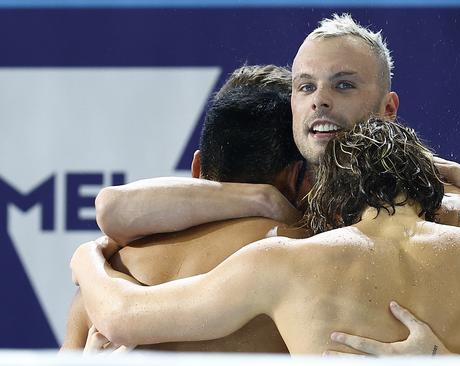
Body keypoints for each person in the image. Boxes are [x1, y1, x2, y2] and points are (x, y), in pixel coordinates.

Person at [82, 14, 460, 356]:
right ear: (293, 106)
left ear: (388, 109)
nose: (319, 101)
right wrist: (261, 199)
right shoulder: (272, 209)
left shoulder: (445, 209)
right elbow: (112, 211)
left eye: (343, 85)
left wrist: (454, 362)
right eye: (305, 87)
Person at [71, 119, 460, 355]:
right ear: (433, 185)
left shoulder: (285, 263)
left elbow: (121, 318)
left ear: (332, 200)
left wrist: (87, 258)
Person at [61, 66, 309, 352]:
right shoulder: (309, 257)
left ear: (197, 168)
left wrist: (86, 259)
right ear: (297, 178)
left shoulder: (103, 275)